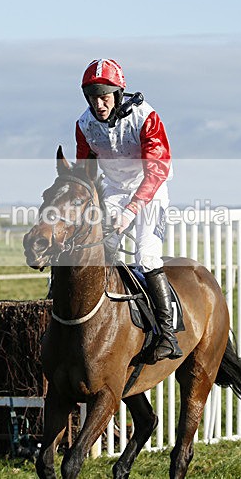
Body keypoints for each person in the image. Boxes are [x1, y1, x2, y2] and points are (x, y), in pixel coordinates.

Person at [74, 58, 182, 362]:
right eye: (93, 98)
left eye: (105, 96)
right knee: (97, 250)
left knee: (145, 257)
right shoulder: (84, 125)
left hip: (150, 191)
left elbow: (158, 169)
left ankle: (167, 335)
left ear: (118, 93)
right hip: (113, 192)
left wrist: (132, 209)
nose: (99, 104)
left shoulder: (146, 118)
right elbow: (85, 171)